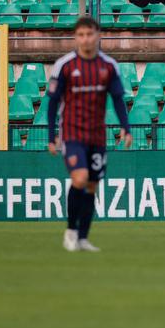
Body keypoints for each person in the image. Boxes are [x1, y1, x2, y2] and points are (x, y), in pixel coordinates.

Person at [46, 17, 132, 252]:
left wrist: (126, 128)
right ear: (76, 37)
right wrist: (50, 136)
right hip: (72, 133)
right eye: (81, 34)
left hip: (97, 134)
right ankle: (71, 231)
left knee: (92, 185)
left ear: (98, 35)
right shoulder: (64, 65)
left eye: (90, 34)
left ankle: (83, 237)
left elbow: (117, 99)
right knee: (80, 178)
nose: (86, 39)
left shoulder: (108, 66)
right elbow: (52, 103)